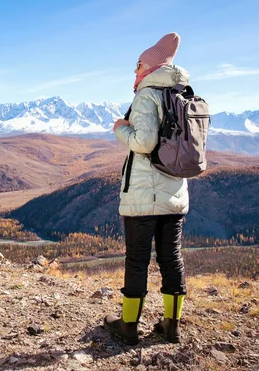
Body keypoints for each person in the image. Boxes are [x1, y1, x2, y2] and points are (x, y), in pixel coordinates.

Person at [104, 32, 189, 345]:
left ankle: (128, 326)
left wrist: (121, 130)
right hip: (175, 193)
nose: (135, 71)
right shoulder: (181, 94)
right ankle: (172, 326)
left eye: (138, 65)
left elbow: (144, 142)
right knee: (172, 258)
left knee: (137, 260)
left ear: (150, 68)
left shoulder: (147, 95)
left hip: (144, 195)